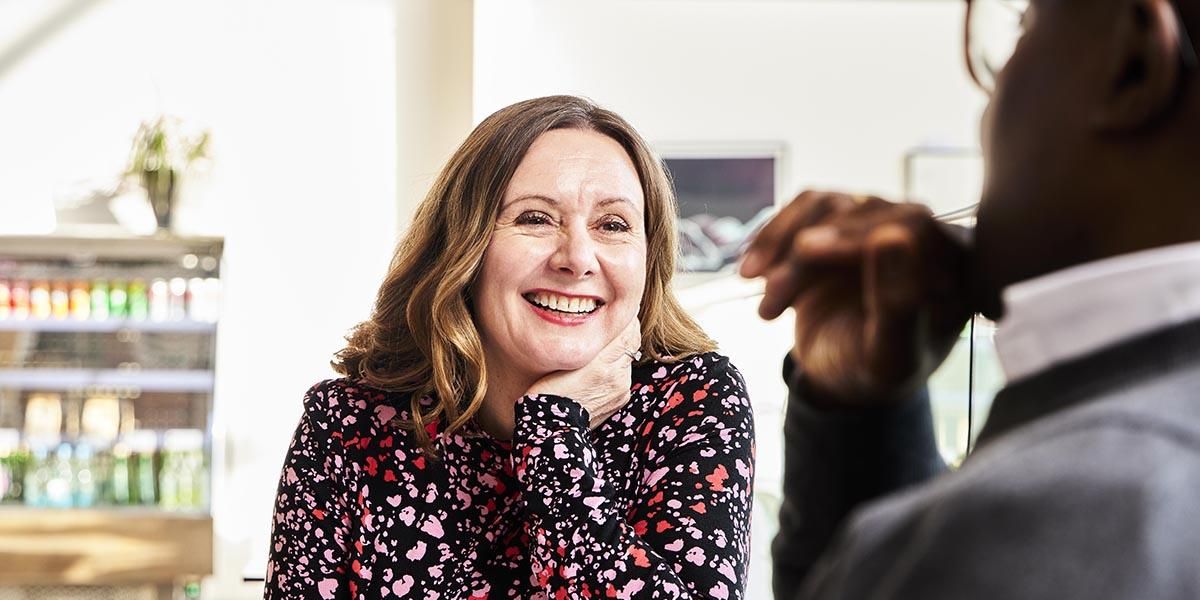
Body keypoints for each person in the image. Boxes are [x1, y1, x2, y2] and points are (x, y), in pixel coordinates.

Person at [741, 0, 1200, 598]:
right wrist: (860, 418)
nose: (984, 113)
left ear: (1133, 62)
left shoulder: (1061, 514)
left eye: (1023, 31)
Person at [265, 95, 755, 599]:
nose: (578, 258)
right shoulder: (350, 423)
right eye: (536, 218)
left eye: (612, 225)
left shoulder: (694, 399)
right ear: (463, 246)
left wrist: (552, 434)